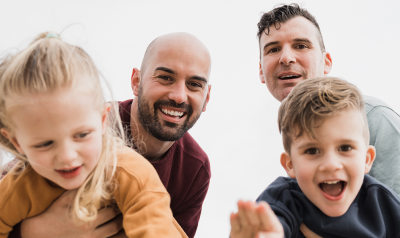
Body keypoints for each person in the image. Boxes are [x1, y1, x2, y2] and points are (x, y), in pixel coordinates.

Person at [3, 32, 211, 238]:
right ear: (136, 81)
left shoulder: (194, 170)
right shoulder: (75, 118)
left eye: (194, 84)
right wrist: (36, 232)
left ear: (206, 97)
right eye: (165, 78)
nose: (178, 96)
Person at [257, 3, 400, 194]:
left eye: (300, 46)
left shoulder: (373, 117)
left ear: (326, 62)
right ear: (261, 71)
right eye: (273, 49)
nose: (286, 58)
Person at [232, 77, 400, 237]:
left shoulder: (383, 203)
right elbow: (269, 227)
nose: (331, 164)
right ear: (290, 164)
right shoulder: (284, 200)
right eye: (312, 151)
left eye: (345, 148)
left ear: (367, 159)